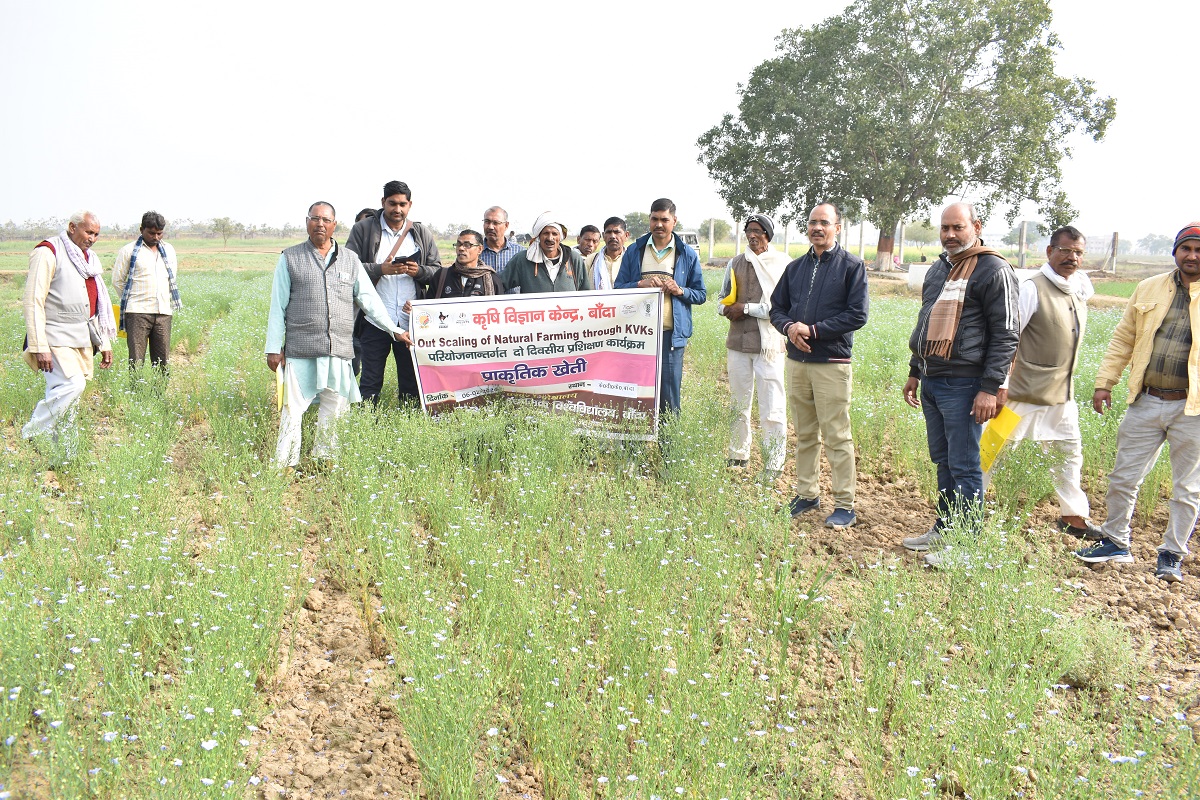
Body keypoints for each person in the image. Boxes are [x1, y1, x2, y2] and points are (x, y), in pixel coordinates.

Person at [1075, 223, 1200, 583]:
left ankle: (1171, 554)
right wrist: (1105, 383)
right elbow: (1123, 339)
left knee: (1187, 488)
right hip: (1146, 400)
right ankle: (1116, 541)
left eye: (1199, 250)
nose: (1192, 256)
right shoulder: (1149, 288)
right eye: (1186, 248)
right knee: (1123, 477)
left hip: (1192, 408)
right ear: (1175, 251)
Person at [901, 202, 1019, 558]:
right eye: (945, 228)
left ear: (976, 227)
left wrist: (990, 388)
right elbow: (926, 322)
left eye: (958, 227)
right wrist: (915, 370)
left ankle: (965, 545)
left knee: (965, 464)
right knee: (944, 460)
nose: (950, 235)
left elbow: (1006, 335)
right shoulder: (940, 268)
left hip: (966, 385)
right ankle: (945, 529)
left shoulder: (994, 269)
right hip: (933, 379)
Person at [266, 202, 407, 469]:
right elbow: (278, 306)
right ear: (307, 222)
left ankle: (325, 461)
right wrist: (273, 347)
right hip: (301, 348)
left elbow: (369, 300)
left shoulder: (350, 260)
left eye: (325, 220)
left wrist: (395, 329)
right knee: (292, 409)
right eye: (315, 218)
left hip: (338, 349)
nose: (320, 224)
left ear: (334, 225)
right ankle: (285, 466)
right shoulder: (290, 258)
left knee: (335, 409)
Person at [986, 225, 1100, 538]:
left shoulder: (1078, 288)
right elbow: (1007, 338)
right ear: (1050, 251)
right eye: (1065, 250)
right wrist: (999, 385)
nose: (1071, 257)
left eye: (1078, 252)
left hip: (1061, 393)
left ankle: (1073, 517)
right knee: (991, 451)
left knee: (1068, 454)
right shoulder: (1031, 288)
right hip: (1021, 393)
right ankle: (966, 511)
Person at [769, 203, 869, 527]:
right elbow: (776, 308)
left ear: (837, 227)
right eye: (813, 222)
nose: (817, 228)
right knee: (805, 434)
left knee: (837, 435)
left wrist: (813, 330)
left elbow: (857, 314)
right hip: (798, 362)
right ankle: (807, 494)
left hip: (831, 363)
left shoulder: (852, 266)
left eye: (824, 222)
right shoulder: (795, 268)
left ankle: (845, 505)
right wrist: (790, 328)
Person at [21, 210, 116, 457]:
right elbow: (33, 301)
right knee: (73, 385)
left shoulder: (89, 258)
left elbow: (96, 305)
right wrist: (39, 346)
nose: (92, 238)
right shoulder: (48, 252)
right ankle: (31, 432)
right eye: (88, 232)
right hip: (54, 336)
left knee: (67, 399)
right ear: (72, 227)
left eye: (96, 234)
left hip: (82, 337)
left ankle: (64, 455)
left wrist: (104, 342)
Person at [344, 180, 441, 406]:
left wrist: (419, 271)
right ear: (383, 202)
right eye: (392, 203)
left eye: (402, 204)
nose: (397, 209)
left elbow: (437, 271)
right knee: (370, 380)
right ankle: (367, 420)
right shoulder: (363, 229)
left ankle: (409, 417)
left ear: (410, 205)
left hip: (410, 320)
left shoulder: (421, 232)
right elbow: (348, 267)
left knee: (411, 380)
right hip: (374, 318)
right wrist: (380, 269)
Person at [615, 198, 707, 416]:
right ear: (649, 220)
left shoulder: (686, 253)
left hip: (670, 335)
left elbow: (701, 294)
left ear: (674, 221)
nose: (659, 224)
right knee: (636, 393)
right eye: (654, 219)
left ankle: (669, 438)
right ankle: (635, 437)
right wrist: (640, 284)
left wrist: (680, 290)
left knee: (669, 396)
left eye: (664, 220)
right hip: (637, 335)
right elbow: (618, 288)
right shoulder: (634, 251)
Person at [719, 214, 791, 484]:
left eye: (758, 231)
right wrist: (726, 309)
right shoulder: (736, 263)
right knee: (739, 404)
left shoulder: (783, 264)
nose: (752, 235)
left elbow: (783, 307)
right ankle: (738, 455)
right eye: (749, 230)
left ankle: (774, 463)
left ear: (768, 235)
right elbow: (721, 299)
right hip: (738, 343)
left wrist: (746, 309)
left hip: (769, 346)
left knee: (772, 407)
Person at [111, 211, 182, 371]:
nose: (156, 237)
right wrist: (132, 300)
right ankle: (136, 387)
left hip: (163, 312)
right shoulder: (128, 251)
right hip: (137, 313)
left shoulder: (169, 250)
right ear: (141, 229)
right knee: (136, 361)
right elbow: (117, 281)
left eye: (159, 233)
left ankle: (160, 388)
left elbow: (172, 277)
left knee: (162, 361)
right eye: (151, 233)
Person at [504, 212, 591, 294]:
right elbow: (501, 283)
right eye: (546, 233)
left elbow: (585, 293)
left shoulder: (574, 259)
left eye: (554, 234)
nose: (550, 238)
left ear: (560, 237)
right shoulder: (523, 259)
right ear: (539, 236)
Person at [428, 230, 506, 298]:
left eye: (467, 245)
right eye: (459, 244)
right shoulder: (441, 276)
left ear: (479, 249)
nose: (461, 248)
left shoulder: (492, 279)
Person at [480, 206, 523, 278]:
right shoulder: (475, 253)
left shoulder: (520, 252)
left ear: (506, 225)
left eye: (495, 223)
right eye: (487, 222)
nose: (490, 227)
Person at [590, 217, 629, 291]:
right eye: (608, 232)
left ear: (626, 235)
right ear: (603, 236)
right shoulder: (591, 260)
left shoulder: (633, 259)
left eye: (617, 232)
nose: (612, 236)